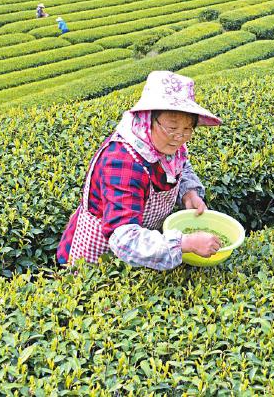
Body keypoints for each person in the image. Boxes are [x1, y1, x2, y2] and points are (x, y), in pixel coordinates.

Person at [57, 71, 224, 269]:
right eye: (172, 127)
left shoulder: (166, 145)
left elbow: (182, 166)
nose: (180, 137)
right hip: (101, 255)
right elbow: (125, 239)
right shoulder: (122, 163)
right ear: (147, 119)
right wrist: (185, 243)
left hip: (144, 245)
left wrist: (189, 193)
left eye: (188, 129)